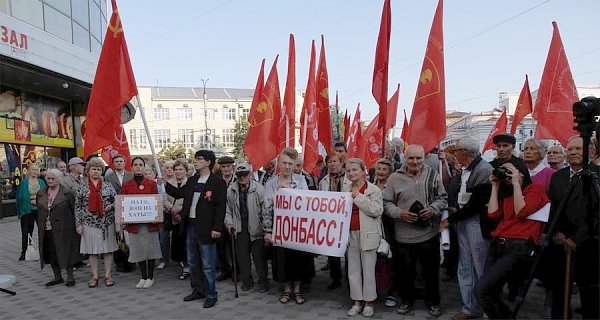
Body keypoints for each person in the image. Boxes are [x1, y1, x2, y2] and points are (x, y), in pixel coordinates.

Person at [474, 158, 549, 319]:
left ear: (520, 172)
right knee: (488, 292)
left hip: (518, 247)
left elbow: (521, 211)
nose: (505, 174)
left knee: (481, 290)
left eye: (509, 170)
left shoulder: (535, 189)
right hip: (498, 244)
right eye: (503, 171)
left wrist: (516, 184)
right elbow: (492, 214)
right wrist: (495, 186)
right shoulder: (507, 193)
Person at [383, 145, 448, 317]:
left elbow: (443, 198)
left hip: (429, 234)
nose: (415, 161)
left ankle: (433, 302)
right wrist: (400, 213)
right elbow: (386, 203)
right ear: (405, 158)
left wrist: (433, 209)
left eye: (418, 158)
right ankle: (406, 301)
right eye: (411, 158)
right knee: (405, 273)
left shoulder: (433, 174)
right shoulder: (394, 178)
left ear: (423, 158)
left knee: (431, 273)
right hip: (404, 236)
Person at [439, 137, 493, 320]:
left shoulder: (484, 170)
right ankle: (468, 308)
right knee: (465, 266)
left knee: (480, 266)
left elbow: (476, 204)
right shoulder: (465, 169)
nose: (454, 154)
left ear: (464, 152)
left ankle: (484, 309)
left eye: (456, 150)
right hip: (464, 220)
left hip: (477, 222)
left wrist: (451, 219)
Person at [547, 136, 599, 319]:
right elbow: (554, 207)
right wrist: (558, 234)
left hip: (588, 242)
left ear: (591, 152)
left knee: (589, 291)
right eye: (570, 150)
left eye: (579, 149)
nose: (574, 153)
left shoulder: (596, 175)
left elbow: (596, 214)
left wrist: (576, 239)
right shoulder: (558, 176)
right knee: (559, 289)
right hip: (561, 241)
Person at [263, 147, 311, 305]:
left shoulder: (301, 180)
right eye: (284, 163)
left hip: (297, 228)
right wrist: (268, 231)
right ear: (279, 163)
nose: (287, 166)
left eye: (291, 163)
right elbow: (267, 209)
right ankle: (286, 289)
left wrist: (289, 192)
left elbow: (307, 202)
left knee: (297, 259)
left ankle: (297, 289)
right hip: (280, 228)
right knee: (282, 259)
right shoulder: (271, 184)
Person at [181, 150, 226, 308]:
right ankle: (197, 289)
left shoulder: (217, 182)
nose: (196, 161)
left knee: (208, 264)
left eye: (199, 159)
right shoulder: (193, 180)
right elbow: (183, 197)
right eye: (195, 158)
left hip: (207, 228)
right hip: (191, 226)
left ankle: (211, 294)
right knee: (193, 262)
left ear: (208, 162)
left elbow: (221, 208)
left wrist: (217, 228)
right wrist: (163, 184)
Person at [344, 158, 383, 318]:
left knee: (368, 270)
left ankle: (369, 302)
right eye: (349, 170)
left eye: (355, 170)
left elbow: (376, 210)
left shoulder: (374, 190)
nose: (352, 173)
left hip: (368, 234)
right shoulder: (344, 188)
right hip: (350, 234)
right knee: (353, 270)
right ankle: (357, 301)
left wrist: (358, 197)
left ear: (363, 170)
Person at [225, 162, 269, 293]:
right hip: (240, 227)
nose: (242, 178)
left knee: (259, 258)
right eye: (239, 175)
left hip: (256, 227)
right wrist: (229, 222)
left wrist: (266, 229)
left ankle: (263, 281)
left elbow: (265, 210)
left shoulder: (259, 189)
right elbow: (228, 209)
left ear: (250, 174)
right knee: (242, 257)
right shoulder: (231, 190)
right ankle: (247, 281)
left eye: (244, 175)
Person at [74, 157, 118, 288]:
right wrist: (78, 224)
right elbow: (78, 207)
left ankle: (108, 275)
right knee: (92, 251)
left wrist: (111, 206)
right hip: (89, 223)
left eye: (99, 169)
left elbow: (116, 200)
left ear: (102, 171)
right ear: (88, 170)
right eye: (93, 169)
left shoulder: (107, 185)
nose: (96, 172)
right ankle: (94, 276)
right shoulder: (82, 187)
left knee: (108, 250)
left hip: (106, 223)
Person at [121, 157, 162, 289]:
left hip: (149, 224)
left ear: (144, 167)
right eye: (136, 165)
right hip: (134, 225)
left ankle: (150, 276)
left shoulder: (151, 184)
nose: (138, 167)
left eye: (140, 165)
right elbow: (123, 203)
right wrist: (123, 219)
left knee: (150, 250)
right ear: (132, 167)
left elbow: (156, 202)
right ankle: (143, 276)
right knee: (138, 250)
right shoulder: (126, 184)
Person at [36, 169, 80, 287]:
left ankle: (70, 277)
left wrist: (77, 225)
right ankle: (57, 276)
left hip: (65, 228)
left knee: (67, 251)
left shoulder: (67, 193)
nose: (50, 181)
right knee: (51, 252)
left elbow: (74, 209)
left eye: (52, 179)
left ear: (59, 179)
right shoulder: (41, 193)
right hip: (47, 228)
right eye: (48, 178)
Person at [318, 152, 350, 290]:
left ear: (342, 162)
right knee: (332, 251)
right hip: (330, 220)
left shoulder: (350, 178)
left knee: (350, 251)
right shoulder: (323, 181)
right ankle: (335, 278)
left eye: (335, 161)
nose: (332, 164)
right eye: (330, 162)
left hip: (347, 218)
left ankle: (350, 277)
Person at [371, 158, 397, 306]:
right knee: (375, 261)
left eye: (384, 169)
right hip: (373, 227)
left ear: (390, 172)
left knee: (389, 258)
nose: (381, 172)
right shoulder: (370, 185)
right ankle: (375, 289)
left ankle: (391, 293)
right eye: (378, 169)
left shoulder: (392, 187)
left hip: (389, 227)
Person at [163, 160, 190, 280]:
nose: (178, 172)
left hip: (187, 218)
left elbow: (190, 199)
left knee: (187, 243)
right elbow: (164, 200)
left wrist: (179, 210)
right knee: (177, 243)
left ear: (186, 170)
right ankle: (183, 264)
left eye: (181, 169)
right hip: (173, 218)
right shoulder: (168, 184)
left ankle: (188, 267)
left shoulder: (190, 183)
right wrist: (172, 209)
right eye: (176, 169)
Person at [16, 164, 46, 261]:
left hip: (40, 210)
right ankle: (24, 252)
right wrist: (30, 200)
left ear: (38, 172)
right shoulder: (24, 182)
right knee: (26, 232)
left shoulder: (41, 182)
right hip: (27, 210)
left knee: (43, 230)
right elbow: (20, 197)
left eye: (36, 170)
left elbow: (45, 195)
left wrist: (36, 200)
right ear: (29, 171)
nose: (34, 171)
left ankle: (44, 252)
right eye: (32, 169)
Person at [216, 156, 235, 281]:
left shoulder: (238, 180)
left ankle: (236, 270)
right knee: (221, 246)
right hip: (219, 218)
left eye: (228, 166)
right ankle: (225, 269)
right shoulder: (217, 181)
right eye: (223, 167)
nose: (226, 169)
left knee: (234, 246)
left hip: (234, 218)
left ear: (232, 166)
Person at [157, 160, 175, 270]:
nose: (169, 170)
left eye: (171, 168)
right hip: (163, 213)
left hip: (175, 212)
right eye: (167, 167)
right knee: (163, 238)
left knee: (177, 237)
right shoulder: (159, 183)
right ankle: (164, 259)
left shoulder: (178, 181)